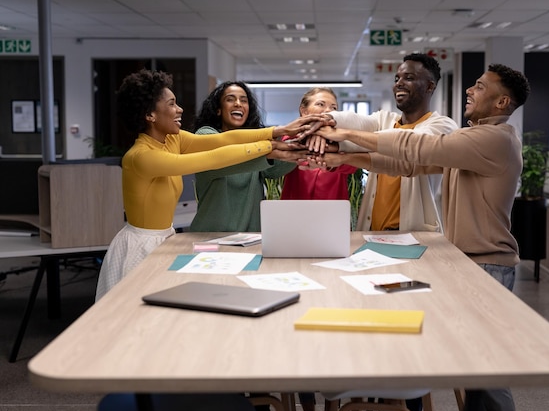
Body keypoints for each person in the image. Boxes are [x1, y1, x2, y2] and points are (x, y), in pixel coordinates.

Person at [307, 63, 531, 411]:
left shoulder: (494, 139)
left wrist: (343, 134)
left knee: (489, 371)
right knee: (475, 369)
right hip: (468, 263)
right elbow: (409, 166)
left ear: (502, 102)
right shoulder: (472, 139)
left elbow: (416, 150)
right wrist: (345, 155)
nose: (470, 91)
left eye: (479, 87)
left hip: (488, 264)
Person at [95, 70, 319, 301]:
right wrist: (268, 147)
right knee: (132, 313)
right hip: (140, 245)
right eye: (172, 104)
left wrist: (277, 131)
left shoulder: (173, 139)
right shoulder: (141, 156)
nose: (180, 109)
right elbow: (210, 159)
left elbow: (222, 140)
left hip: (165, 238)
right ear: (150, 115)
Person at [316, 53, 458, 232]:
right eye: (397, 78)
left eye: (409, 78)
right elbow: (357, 121)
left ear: (430, 86)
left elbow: (408, 146)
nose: (399, 83)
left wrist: (345, 135)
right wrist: (327, 119)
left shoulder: (442, 126)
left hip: (413, 233)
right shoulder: (385, 119)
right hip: (373, 231)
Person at [189, 81, 306, 232]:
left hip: (250, 240)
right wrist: (276, 139)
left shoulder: (257, 145)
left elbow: (275, 169)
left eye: (243, 100)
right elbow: (229, 157)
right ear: (218, 110)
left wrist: (304, 141)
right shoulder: (205, 136)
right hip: (210, 239)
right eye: (230, 99)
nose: (238, 104)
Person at [280, 87, 357, 201]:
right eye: (321, 104)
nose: (328, 111)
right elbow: (284, 158)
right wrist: (313, 133)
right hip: (295, 209)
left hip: (333, 210)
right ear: (304, 111)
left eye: (333, 107)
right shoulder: (292, 138)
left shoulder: (343, 141)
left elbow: (351, 167)